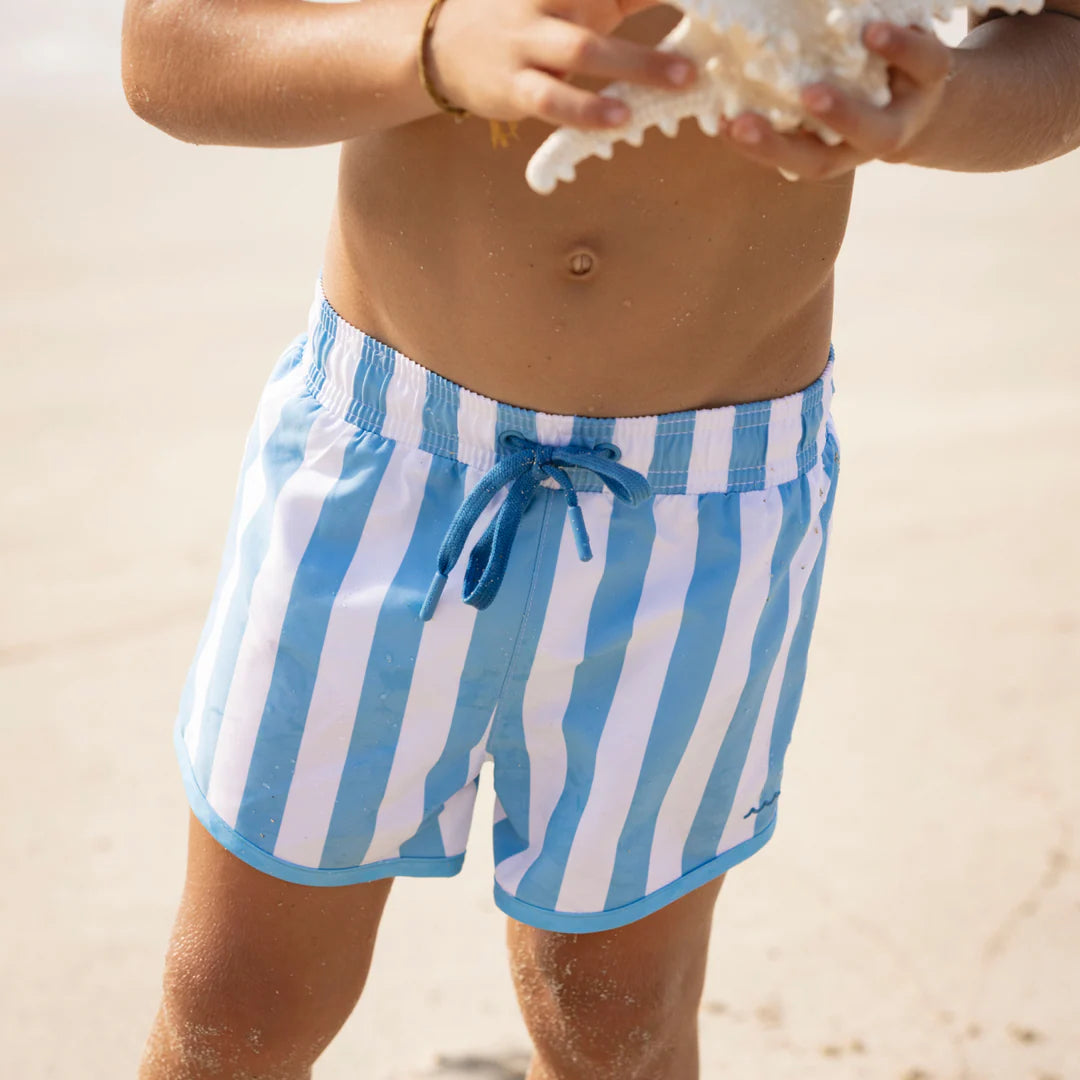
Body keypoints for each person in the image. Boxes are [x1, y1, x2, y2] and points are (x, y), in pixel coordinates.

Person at [121, 1, 1080, 1077]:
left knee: (617, 1026)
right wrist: (434, 49)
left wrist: (935, 108)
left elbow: (1062, 52)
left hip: (704, 515)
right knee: (236, 1002)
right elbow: (170, 52)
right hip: (384, 469)